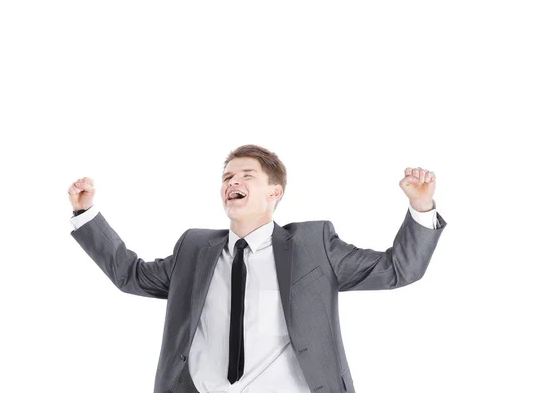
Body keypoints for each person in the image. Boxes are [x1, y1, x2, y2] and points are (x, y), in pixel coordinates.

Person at [68, 144, 447, 393]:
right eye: (227, 178)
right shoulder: (195, 248)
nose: (233, 182)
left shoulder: (314, 244)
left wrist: (421, 208)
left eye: (246, 176)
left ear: (274, 191)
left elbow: (399, 269)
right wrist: (87, 215)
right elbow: (130, 275)